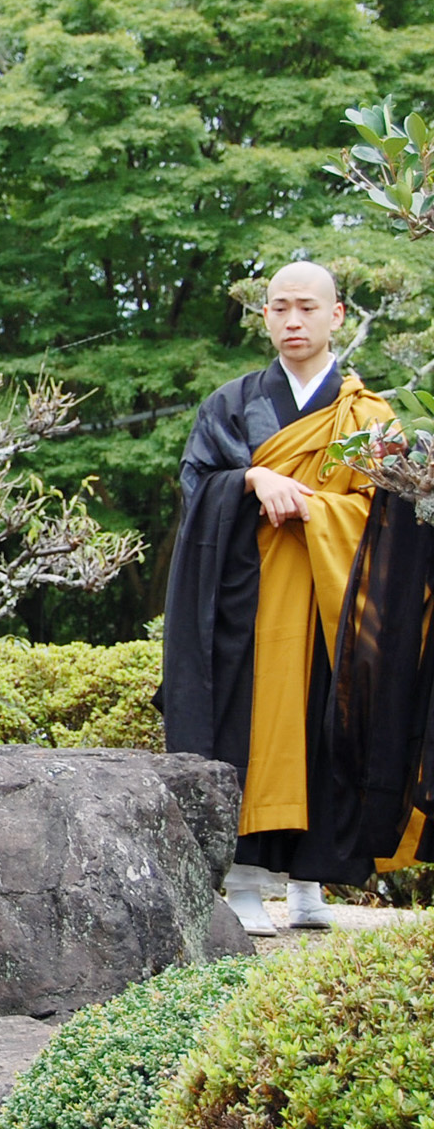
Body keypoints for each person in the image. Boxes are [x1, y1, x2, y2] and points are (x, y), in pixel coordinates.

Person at [159, 261, 394, 936]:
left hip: (334, 602)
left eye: (307, 308)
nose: (294, 320)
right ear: (264, 316)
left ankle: (313, 880)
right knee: (247, 729)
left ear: (337, 315)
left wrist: (320, 509)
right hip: (246, 600)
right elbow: (197, 485)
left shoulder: (369, 417)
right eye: (280, 308)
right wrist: (253, 480)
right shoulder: (231, 404)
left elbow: (395, 512)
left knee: (330, 726)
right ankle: (245, 883)